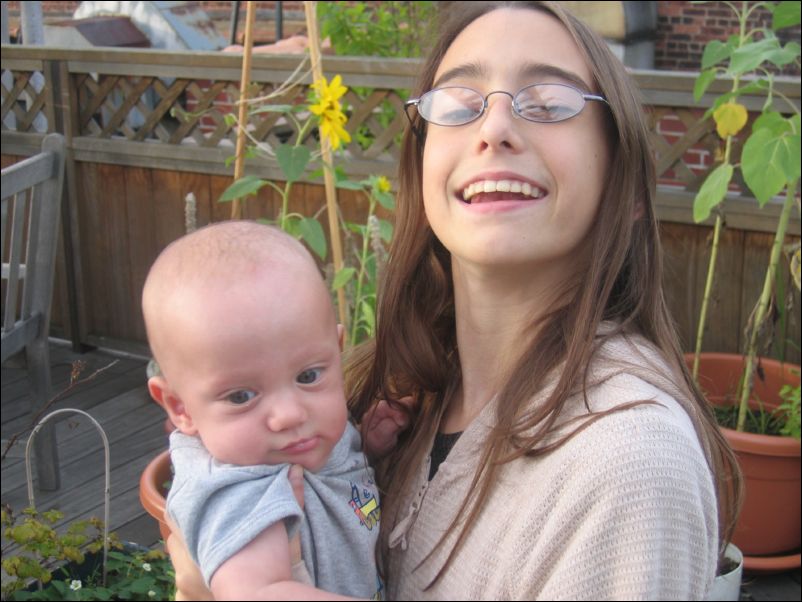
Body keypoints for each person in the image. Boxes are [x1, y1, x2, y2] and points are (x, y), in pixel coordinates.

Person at [168, 2, 742, 600]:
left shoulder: (627, 463)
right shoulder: (409, 390)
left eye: (550, 104)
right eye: (460, 105)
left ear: (626, 185)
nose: (494, 128)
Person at [142, 221, 382, 601]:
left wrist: (372, 449)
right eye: (241, 396)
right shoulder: (235, 489)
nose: (289, 415)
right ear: (180, 407)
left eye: (307, 376)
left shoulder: (309, 438)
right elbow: (257, 592)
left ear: (337, 353)